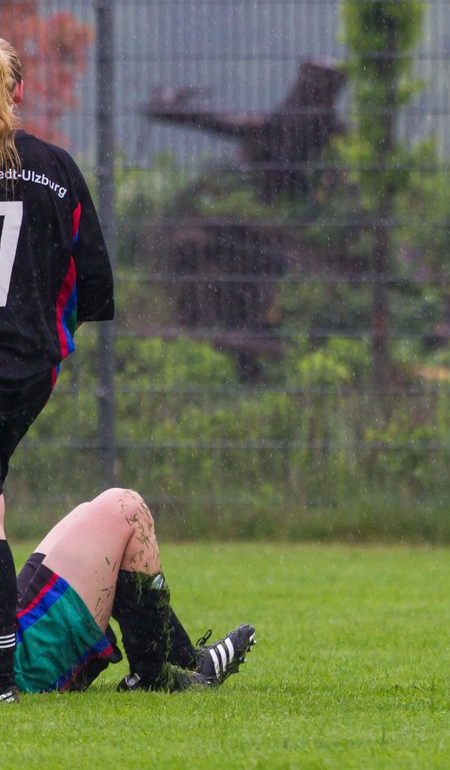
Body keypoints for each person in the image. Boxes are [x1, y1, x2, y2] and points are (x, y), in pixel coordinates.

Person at [0, 38, 115, 701]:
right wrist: (50, 341)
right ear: (19, 92)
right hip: (25, 368)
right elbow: (92, 285)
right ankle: (166, 657)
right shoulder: (57, 168)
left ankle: (4, 680)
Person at [3, 487, 255, 702]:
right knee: (126, 508)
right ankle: (152, 673)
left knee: (87, 513)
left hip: (15, 636)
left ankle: (184, 657)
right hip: (18, 662)